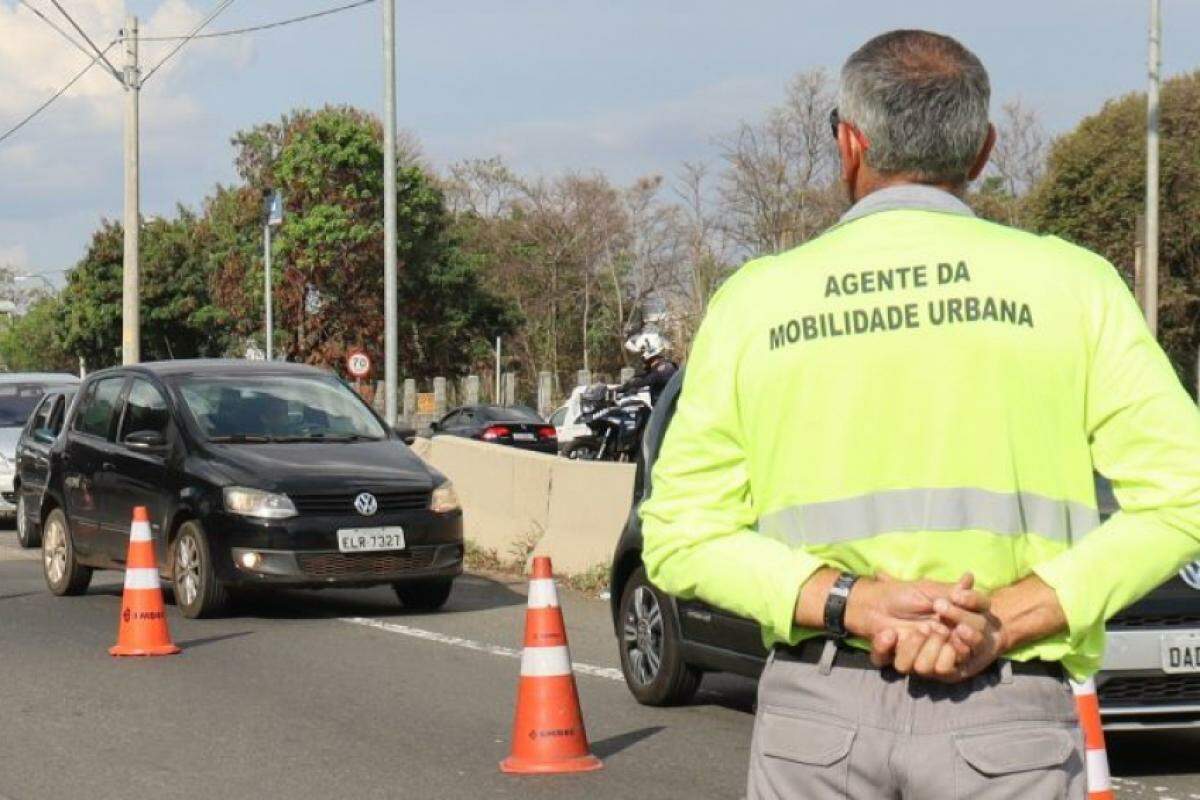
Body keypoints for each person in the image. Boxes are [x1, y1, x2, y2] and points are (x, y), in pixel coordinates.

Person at [639, 29, 1200, 800]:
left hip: (818, 717)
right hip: (1008, 717)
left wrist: (852, 602)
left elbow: (677, 532)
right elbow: (1185, 496)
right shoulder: (1075, 286)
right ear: (983, 150)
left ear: (850, 142)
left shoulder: (756, 301)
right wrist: (1004, 618)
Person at [620, 331, 678, 405]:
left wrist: (631, 384)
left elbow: (646, 380)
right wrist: (620, 388)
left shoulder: (665, 368)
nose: (640, 358)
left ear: (649, 350)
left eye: (641, 353)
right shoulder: (658, 369)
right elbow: (646, 377)